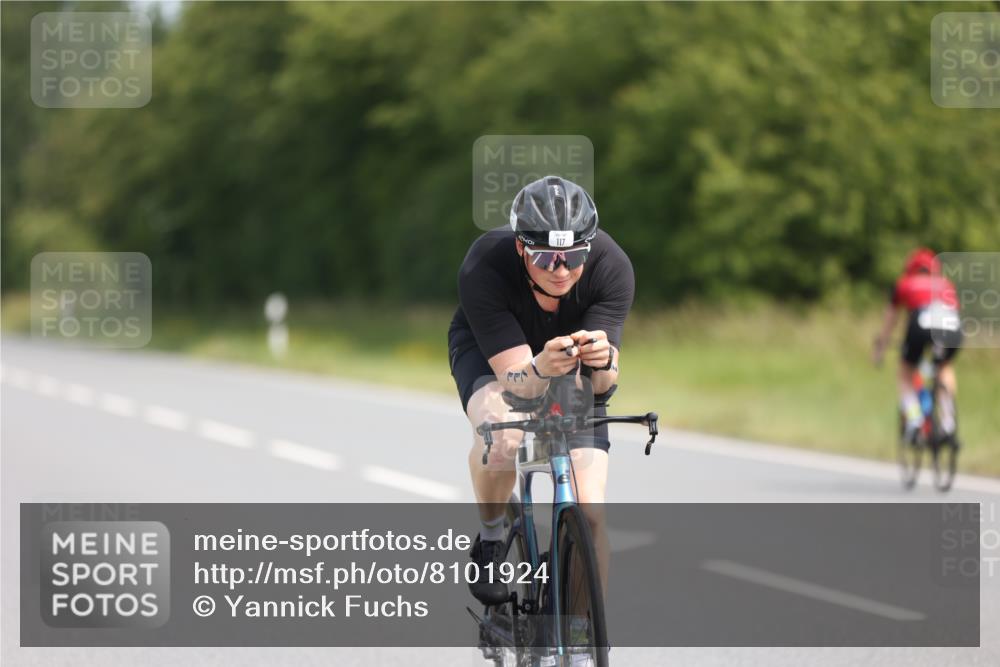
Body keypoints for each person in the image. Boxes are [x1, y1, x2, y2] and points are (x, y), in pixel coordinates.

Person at [448, 175, 634, 605]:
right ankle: (491, 538)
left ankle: (582, 637)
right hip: (497, 356)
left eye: (573, 256)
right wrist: (538, 366)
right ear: (520, 247)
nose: (561, 270)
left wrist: (604, 362)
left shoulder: (611, 267)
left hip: (568, 367)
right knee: (502, 432)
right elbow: (517, 383)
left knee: (589, 514)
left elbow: (603, 387)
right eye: (546, 257)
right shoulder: (485, 266)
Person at [873, 248, 963, 442]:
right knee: (944, 368)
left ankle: (914, 420)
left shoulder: (905, 283)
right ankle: (949, 423)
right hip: (952, 325)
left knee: (906, 372)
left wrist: (881, 346)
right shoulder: (946, 284)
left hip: (922, 323)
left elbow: (891, 319)